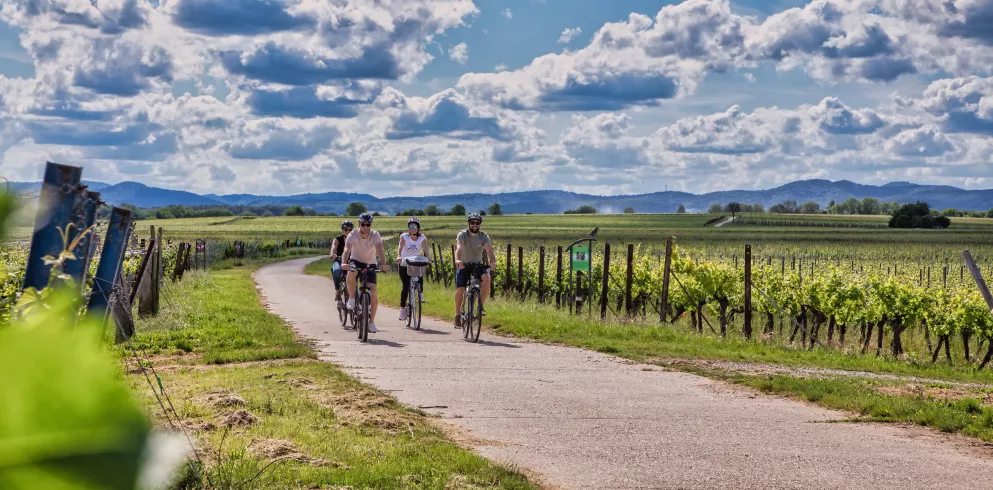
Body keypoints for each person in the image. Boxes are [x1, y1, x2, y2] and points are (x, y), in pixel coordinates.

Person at [342, 213, 390, 333]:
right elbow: (347, 249)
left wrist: (383, 264)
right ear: (359, 224)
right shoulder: (353, 234)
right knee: (351, 273)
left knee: (373, 291)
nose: (365, 227)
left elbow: (379, 249)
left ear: (370, 225)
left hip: (370, 263)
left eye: (367, 224)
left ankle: (371, 322)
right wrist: (344, 263)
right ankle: (352, 297)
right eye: (363, 224)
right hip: (355, 261)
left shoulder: (375, 235)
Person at [454, 212, 496, 328]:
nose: (475, 225)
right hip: (464, 264)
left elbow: (489, 250)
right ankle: (457, 314)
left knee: (487, 278)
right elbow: (459, 247)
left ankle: (480, 306)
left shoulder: (483, 236)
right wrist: (458, 260)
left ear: (480, 224)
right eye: (472, 222)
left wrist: (493, 261)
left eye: (477, 223)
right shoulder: (463, 234)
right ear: (469, 223)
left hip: (478, 264)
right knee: (460, 288)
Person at [395, 217, 432, 320]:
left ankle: (419, 293)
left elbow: (425, 249)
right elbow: (400, 247)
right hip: (404, 262)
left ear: (418, 227)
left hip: (415, 261)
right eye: (410, 226)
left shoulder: (422, 237)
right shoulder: (404, 236)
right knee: (406, 285)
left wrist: (427, 258)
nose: (412, 228)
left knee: (419, 277)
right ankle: (402, 309)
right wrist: (398, 256)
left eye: (414, 226)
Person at [330, 220, 353, 301]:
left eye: (350, 229)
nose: (348, 231)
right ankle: (337, 291)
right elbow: (334, 246)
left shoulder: (355, 239)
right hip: (339, 260)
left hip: (351, 261)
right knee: (336, 271)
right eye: (346, 229)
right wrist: (333, 254)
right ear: (342, 230)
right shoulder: (338, 238)